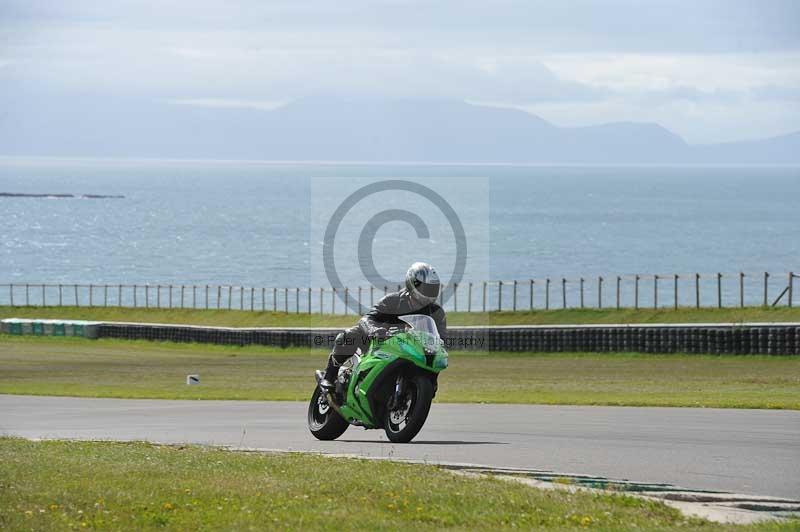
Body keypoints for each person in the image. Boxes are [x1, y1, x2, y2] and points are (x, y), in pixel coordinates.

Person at [317, 262, 447, 391]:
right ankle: (329, 376)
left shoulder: (436, 313)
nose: (430, 292)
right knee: (350, 335)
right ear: (413, 284)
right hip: (380, 342)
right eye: (426, 288)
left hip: (411, 349)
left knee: (436, 359)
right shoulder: (393, 301)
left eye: (433, 288)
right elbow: (367, 319)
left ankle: (424, 388)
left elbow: (440, 341)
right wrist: (375, 329)